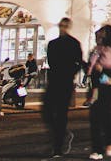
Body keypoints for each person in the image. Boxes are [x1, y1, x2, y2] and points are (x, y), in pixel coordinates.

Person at [42, 17, 83, 159]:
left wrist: (71, 73)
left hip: (65, 81)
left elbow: (79, 61)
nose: (63, 28)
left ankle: (57, 146)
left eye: (66, 26)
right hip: (54, 81)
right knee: (47, 111)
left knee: (60, 113)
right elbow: (51, 60)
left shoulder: (74, 43)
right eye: (61, 25)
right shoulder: (53, 43)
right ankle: (61, 133)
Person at [86, 24, 111, 160]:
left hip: (100, 88)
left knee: (97, 118)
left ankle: (100, 148)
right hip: (103, 87)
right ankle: (108, 144)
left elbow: (95, 68)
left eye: (100, 34)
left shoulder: (104, 50)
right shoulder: (110, 50)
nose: (98, 36)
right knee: (104, 117)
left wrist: (97, 70)